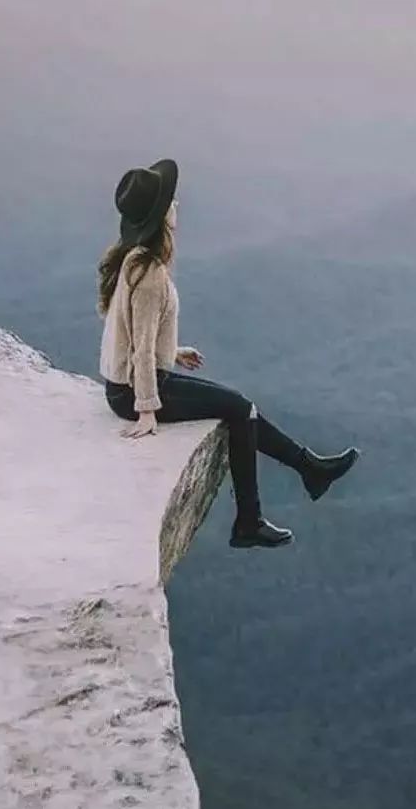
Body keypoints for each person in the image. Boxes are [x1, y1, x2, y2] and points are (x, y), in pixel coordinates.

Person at [98, 157, 360, 549]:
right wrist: (147, 410)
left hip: (125, 384)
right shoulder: (150, 273)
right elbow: (141, 343)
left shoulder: (135, 259)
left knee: (243, 407)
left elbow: (134, 333)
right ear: (160, 218)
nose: (176, 206)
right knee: (239, 408)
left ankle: (308, 469)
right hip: (133, 391)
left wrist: (173, 350)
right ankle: (253, 519)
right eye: (170, 202)